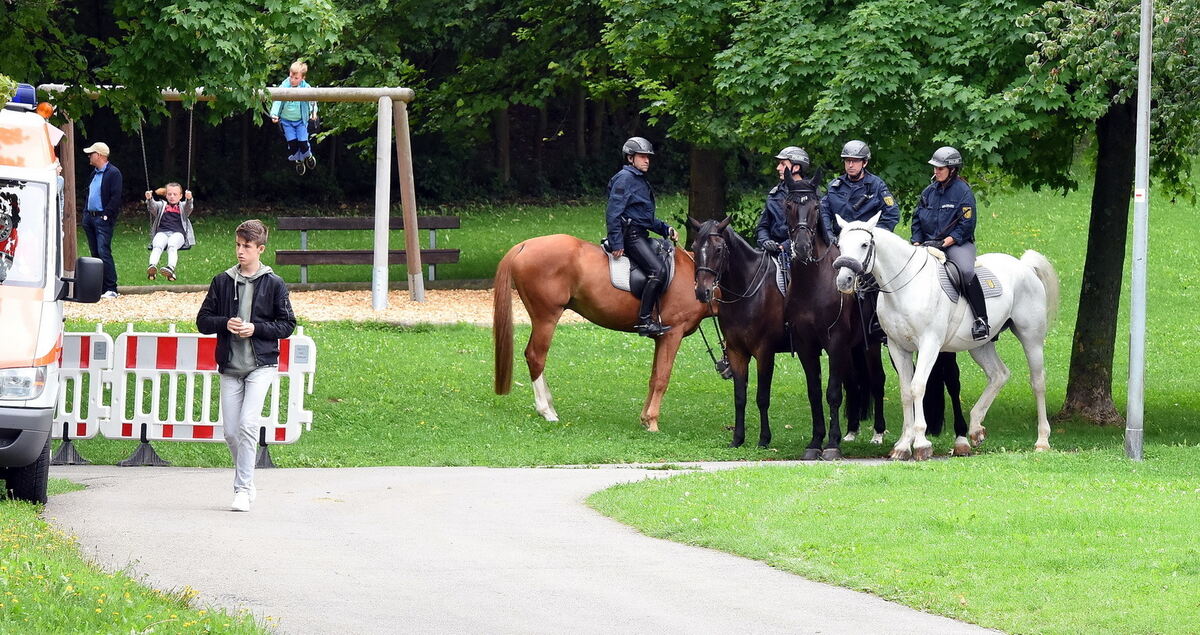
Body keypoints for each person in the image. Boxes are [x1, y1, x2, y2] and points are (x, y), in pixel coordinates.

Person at [196, 220, 296, 512]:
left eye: (247, 247)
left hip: (261, 365)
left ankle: (241, 489)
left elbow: (287, 324)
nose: (240, 251)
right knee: (230, 432)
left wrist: (256, 329)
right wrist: (224, 323)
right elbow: (202, 321)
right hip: (230, 366)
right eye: (238, 245)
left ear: (260, 249)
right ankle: (248, 479)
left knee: (248, 425)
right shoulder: (222, 281)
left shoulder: (274, 283)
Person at [820, 140, 901, 342]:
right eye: (847, 161)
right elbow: (823, 212)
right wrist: (830, 237)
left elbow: (892, 215)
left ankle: (878, 323)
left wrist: (872, 237)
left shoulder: (877, 185)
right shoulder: (834, 186)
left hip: (866, 247)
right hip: (842, 245)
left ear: (864, 163)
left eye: (855, 161)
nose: (850, 165)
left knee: (875, 281)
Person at [912, 146, 990, 340]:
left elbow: (967, 223)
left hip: (957, 243)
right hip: (928, 244)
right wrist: (916, 241)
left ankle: (981, 319)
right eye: (935, 168)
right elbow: (917, 218)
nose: (936, 171)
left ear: (952, 169)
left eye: (940, 168)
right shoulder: (928, 192)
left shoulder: (963, 192)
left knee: (965, 270)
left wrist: (948, 241)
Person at [605, 136, 677, 337]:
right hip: (631, 237)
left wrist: (665, 229)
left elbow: (643, 216)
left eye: (648, 157)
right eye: (642, 156)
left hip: (640, 233)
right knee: (658, 271)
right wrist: (617, 241)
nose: (647, 160)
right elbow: (613, 212)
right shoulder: (625, 178)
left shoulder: (637, 179)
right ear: (630, 158)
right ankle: (645, 321)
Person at [81, 141, 123, 298]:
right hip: (90, 217)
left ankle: (111, 288)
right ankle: (100, 287)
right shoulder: (94, 173)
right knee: (95, 253)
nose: (89, 157)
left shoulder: (113, 173)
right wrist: (85, 213)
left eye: (91, 154)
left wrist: (106, 215)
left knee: (104, 252)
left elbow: (115, 197)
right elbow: (90, 194)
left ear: (99, 155)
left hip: (102, 219)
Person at [755, 146, 810, 255]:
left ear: (796, 168)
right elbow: (763, 226)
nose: (778, 168)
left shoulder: (811, 195)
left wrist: (784, 246)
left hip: (799, 253)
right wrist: (766, 241)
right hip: (772, 252)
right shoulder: (774, 194)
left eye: (783, 164)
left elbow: (811, 230)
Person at [144, 183, 196, 281]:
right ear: (166, 195)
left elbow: (189, 207)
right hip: (162, 232)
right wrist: (150, 199)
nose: (172, 197)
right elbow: (152, 208)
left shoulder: (183, 206)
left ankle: (170, 268)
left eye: (175, 194)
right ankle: (152, 267)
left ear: (181, 196)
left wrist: (189, 199)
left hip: (178, 234)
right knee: (157, 244)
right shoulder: (161, 206)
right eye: (169, 194)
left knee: (172, 245)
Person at [269, 60, 319, 162]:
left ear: (302, 78)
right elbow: (277, 100)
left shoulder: (306, 87)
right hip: (286, 121)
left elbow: (312, 101)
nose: (292, 80)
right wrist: (274, 114)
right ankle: (298, 159)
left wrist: (313, 113)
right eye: (291, 76)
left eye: (296, 78)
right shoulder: (284, 86)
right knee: (292, 143)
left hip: (301, 121)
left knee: (302, 142)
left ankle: (308, 155)